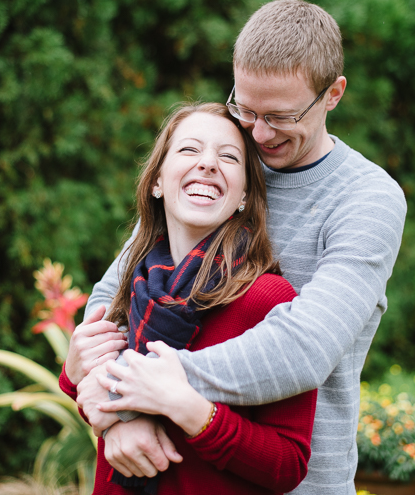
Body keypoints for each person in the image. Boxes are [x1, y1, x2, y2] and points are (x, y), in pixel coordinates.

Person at [79, 0, 407, 494]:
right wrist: (118, 415)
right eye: (245, 108)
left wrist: (150, 389)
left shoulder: (367, 199)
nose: (257, 132)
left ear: (333, 94)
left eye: (279, 116)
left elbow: (304, 346)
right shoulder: (224, 160)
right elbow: (116, 290)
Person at [59, 102, 317, 495]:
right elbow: (97, 395)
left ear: (245, 195)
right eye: (189, 150)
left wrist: (187, 408)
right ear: (156, 182)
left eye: (228, 157)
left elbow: (288, 464)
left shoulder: (269, 300)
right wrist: (74, 374)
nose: (208, 163)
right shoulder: (130, 286)